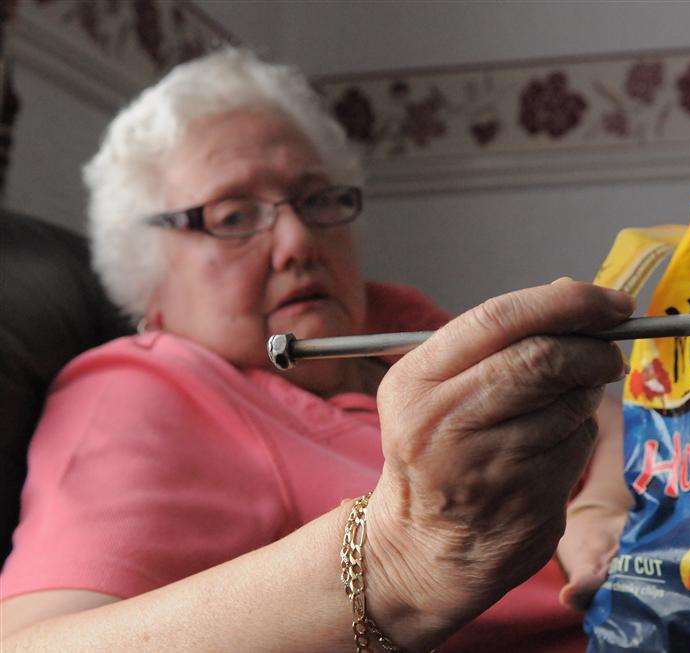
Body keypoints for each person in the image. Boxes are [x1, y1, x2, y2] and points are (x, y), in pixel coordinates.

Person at [0, 48, 633, 651]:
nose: (299, 239)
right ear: (146, 274)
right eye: (232, 216)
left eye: (315, 200)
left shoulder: (391, 320)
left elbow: (603, 413)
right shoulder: (144, 390)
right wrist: (397, 560)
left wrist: (601, 507)